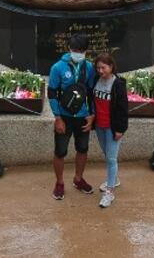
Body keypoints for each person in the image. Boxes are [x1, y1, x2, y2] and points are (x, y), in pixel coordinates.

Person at [48, 33, 96, 201]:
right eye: (76, 50)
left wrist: (92, 115)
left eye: (82, 50)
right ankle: (59, 182)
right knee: (60, 151)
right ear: (70, 49)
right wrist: (58, 118)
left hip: (82, 116)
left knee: (82, 149)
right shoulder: (57, 68)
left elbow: (91, 93)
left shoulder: (89, 67)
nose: (78, 53)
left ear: (86, 51)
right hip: (65, 116)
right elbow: (52, 93)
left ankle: (78, 178)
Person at [91, 52, 128, 209]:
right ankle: (114, 179)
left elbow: (122, 108)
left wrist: (120, 129)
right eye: (98, 68)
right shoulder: (95, 80)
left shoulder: (118, 84)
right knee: (107, 155)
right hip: (99, 125)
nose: (100, 71)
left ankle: (109, 192)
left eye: (103, 68)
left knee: (111, 159)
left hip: (113, 128)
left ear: (111, 67)